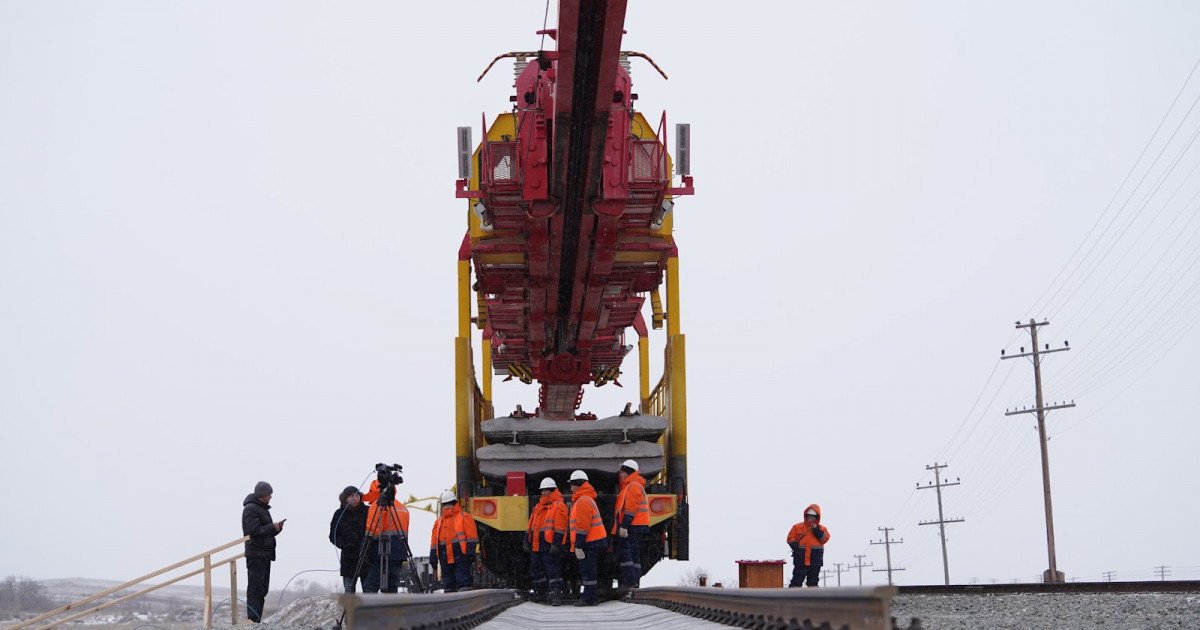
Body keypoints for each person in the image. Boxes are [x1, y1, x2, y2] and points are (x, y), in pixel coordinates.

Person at [241, 481, 285, 623]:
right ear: (262, 495)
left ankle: (256, 620)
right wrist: (271, 527)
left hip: (264, 555)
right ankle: (253, 620)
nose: (271, 497)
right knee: (255, 589)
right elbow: (253, 531)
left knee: (262, 589)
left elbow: (264, 531)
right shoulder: (251, 509)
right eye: (269, 494)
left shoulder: (262, 509)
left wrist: (276, 528)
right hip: (256, 555)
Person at [361, 478, 411, 593]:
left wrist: (364, 551)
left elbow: (372, 531)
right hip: (398, 553)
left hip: (380, 553)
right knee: (392, 586)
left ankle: (369, 610)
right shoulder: (402, 507)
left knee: (371, 586)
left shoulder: (377, 506)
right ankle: (390, 610)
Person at [567, 470, 608, 606]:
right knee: (589, 570)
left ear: (577, 485)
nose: (570, 488)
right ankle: (590, 597)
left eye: (572, 485)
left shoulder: (582, 501)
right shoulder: (585, 499)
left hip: (589, 542)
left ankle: (589, 599)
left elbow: (583, 527)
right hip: (592, 541)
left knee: (588, 571)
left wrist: (578, 545)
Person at [525, 477, 568, 605]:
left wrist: (556, 544)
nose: (543, 493)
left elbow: (560, 528)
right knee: (535, 570)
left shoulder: (559, 506)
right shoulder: (538, 507)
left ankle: (555, 595)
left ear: (552, 491)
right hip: (537, 545)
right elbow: (531, 526)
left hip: (549, 544)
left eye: (545, 490)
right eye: (542, 490)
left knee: (553, 571)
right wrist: (526, 540)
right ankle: (542, 593)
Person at [429, 490, 478, 592]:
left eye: (449, 504)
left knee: (463, 585)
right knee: (449, 587)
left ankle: (465, 604)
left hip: (461, 557)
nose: (447, 507)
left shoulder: (464, 517)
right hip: (446, 558)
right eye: (445, 505)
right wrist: (433, 558)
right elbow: (434, 543)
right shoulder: (438, 522)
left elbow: (471, 537)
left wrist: (470, 552)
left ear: (454, 503)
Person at [612, 459, 650, 589]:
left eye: (622, 472)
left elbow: (630, 509)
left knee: (625, 552)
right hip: (637, 525)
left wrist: (624, 526)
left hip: (633, 525)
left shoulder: (633, 486)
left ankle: (630, 582)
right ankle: (634, 581)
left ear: (628, 472)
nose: (621, 475)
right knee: (633, 553)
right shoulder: (633, 485)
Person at [328, 485, 369, 593]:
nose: (355, 498)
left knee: (369, 590)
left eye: (357, 495)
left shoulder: (368, 511)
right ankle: (350, 610)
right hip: (348, 559)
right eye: (351, 496)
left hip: (367, 558)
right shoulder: (339, 514)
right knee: (349, 591)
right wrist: (345, 545)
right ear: (345, 498)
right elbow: (333, 535)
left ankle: (368, 610)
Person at [787, 504, 830, 587]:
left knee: (812, 584)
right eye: (809, 515)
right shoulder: (797, 527)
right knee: (796, 582)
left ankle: (812, 599)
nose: (811, 518)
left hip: (815, 562)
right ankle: (791, 599)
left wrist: (816, 530)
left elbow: (824, 539)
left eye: (813, 516)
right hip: (800, 561)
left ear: (817, 517)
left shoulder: (822, 529)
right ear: (806, 515)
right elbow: (790, 538)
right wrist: (795, 546)